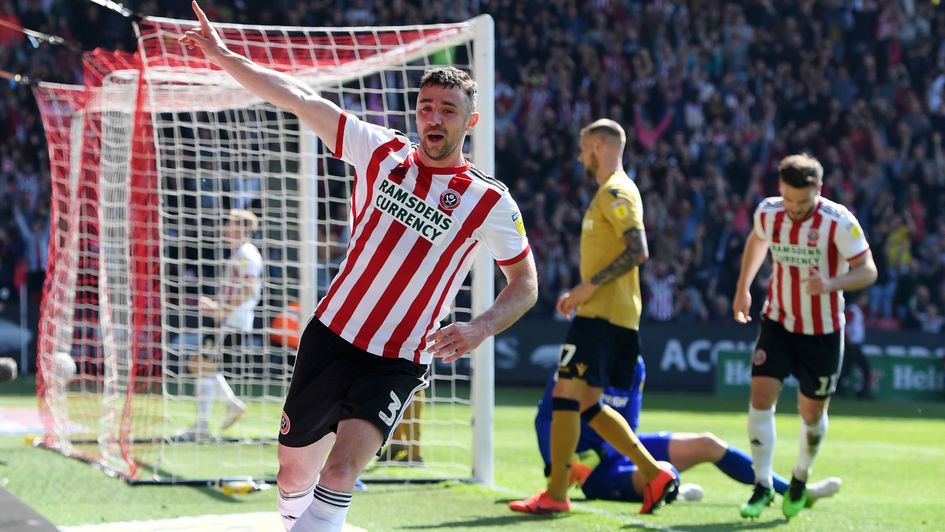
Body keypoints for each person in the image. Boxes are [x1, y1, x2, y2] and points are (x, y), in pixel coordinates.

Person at [181, 4, 538, 531]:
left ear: (471, 120)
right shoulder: (380, 151)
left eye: (448, 110)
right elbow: (300, 97)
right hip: (332, 335)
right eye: (426, 107)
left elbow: (526, 283)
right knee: (291, 473)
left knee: (343, 469)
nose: (434, 119)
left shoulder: (488, 201)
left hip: (398, 357)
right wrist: (224, 55)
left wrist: (480, 327)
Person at [510, 119, 676, 516]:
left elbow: (638, 250)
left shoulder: (616, 190)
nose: (580, 156)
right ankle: (652, 473)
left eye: (584, 148)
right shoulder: (611, 191)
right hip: (611, 316)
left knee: (565, 395)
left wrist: (587, 289)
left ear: (599, 146)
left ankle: (556, 493)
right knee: (586, 403)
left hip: (601, 315)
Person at [732, 153, 877, 519]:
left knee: (811, 413)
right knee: (761, 395)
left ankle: (799, 477)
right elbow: (757, 240)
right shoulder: (768, 211)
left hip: (823, 330)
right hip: (778, 321)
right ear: (780, 188)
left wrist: (831, 283)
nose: (795, 209)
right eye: (790, 200)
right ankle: (762, 485)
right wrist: (743, 288)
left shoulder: (839, 222)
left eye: (804, 202)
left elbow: (868, 271)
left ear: (819, 190)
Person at [534, 358, 842, 506]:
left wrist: (619, 453)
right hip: (589, 472)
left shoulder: (635, 364)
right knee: (662, 474)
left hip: (617, 451)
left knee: (708, 443)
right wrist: (555, 464)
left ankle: (793, 490)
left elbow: (629, 424)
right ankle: (674, 492)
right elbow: (545, 417)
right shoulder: (577, 361)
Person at [179, 208, 262, 440]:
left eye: (232, 224)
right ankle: (216, 416)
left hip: (233, 322)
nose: (226, 228)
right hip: (228, 319)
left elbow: (249, 289)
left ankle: (206, 423)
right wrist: (217, 305)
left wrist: (222, 309)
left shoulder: (247, 254)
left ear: (244, 230)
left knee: (200, 365)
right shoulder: (239, 253)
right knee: (202, 365)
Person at [837, 291, 873, 399]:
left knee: (847, 369)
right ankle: (863, 392)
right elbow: (843, 325)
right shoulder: (852, 310)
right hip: (852, 345)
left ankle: (838, 391)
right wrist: (848, 339)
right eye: (865, 298)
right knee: (865, 367)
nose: (866, 301)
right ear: (860, 298)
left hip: (853, 345)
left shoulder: (856, 311)